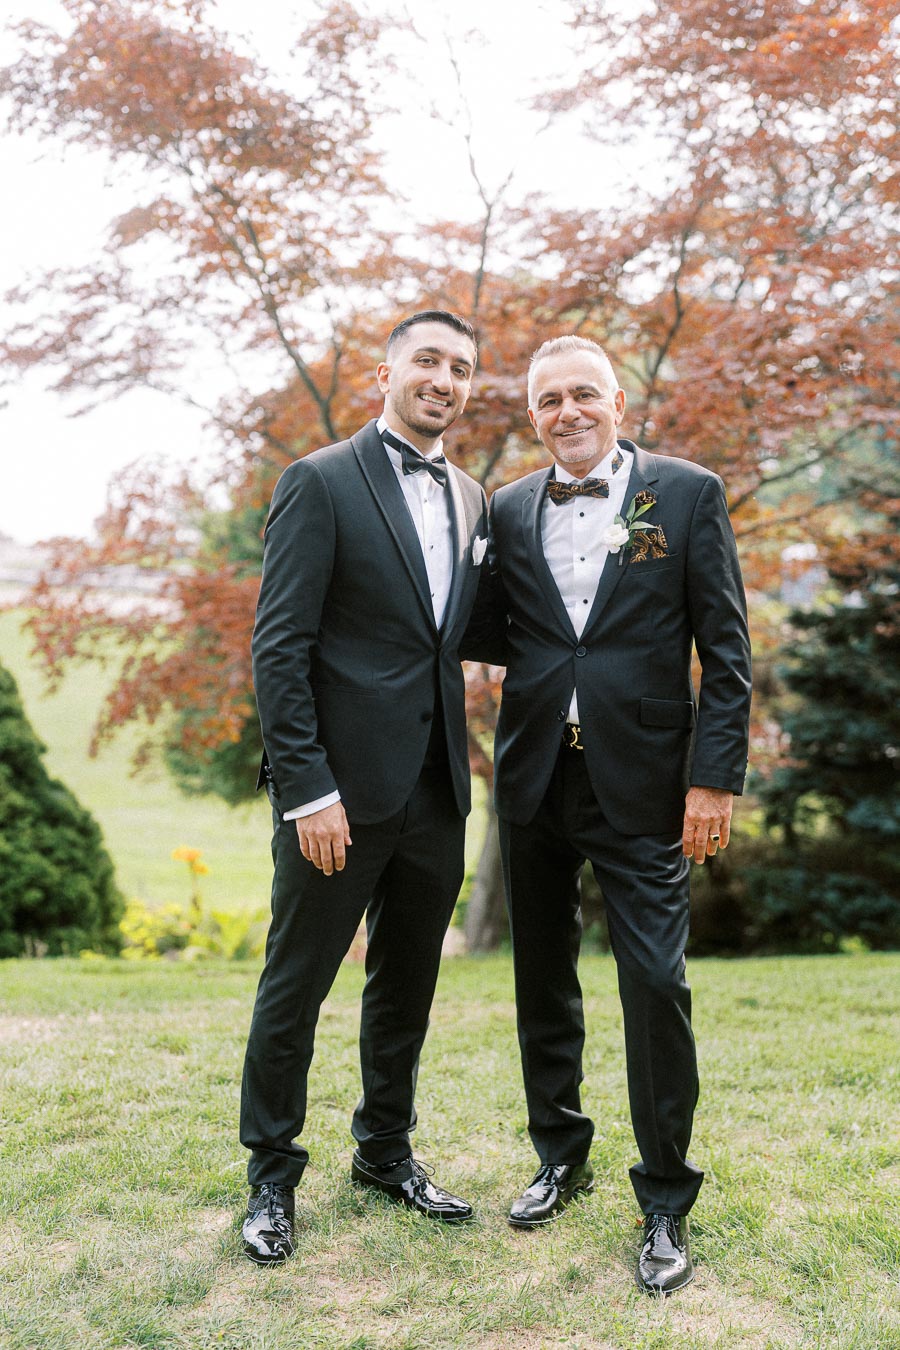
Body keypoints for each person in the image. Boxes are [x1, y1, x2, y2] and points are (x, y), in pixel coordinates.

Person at [463, 335, 751, 1295]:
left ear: (619, 403)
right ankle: (560, 1154)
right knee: (542, 978)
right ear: (533, 415)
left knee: (654, 984)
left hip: (648, 783)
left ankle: (665, 1195)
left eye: (584, 394)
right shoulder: (507, 507)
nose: (568, 413)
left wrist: (712, 782)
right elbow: (488, 627)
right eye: (549, 401)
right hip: (535, 777)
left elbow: (727, 650)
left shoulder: (687, 494)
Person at [241, 311, 489, 1264]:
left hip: (436, 790)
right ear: (384, 374)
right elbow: (280, 646)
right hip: (335, 799)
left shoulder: (471, 496)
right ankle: (272, 1177)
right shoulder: (319, 480)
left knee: (406, 986)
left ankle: (385, 1154)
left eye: (460, 368)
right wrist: (307, 791)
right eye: (427, 360)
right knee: (296, 985)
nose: (444, 380)